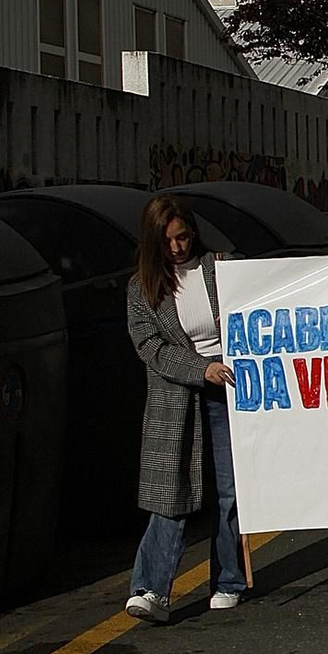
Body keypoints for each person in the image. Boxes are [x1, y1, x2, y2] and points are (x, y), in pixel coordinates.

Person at [124, 194, 244, 622]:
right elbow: (150, 347)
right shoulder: (141, 288)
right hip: (176, 396)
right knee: (169, 494)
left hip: (229, 388)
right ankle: (150, 589)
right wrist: (201, 368)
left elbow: (272, 288)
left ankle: (229, 579)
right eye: (168, 240)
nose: (177, 247)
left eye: (183, 236)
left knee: (231, 490)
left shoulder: (222, 266)